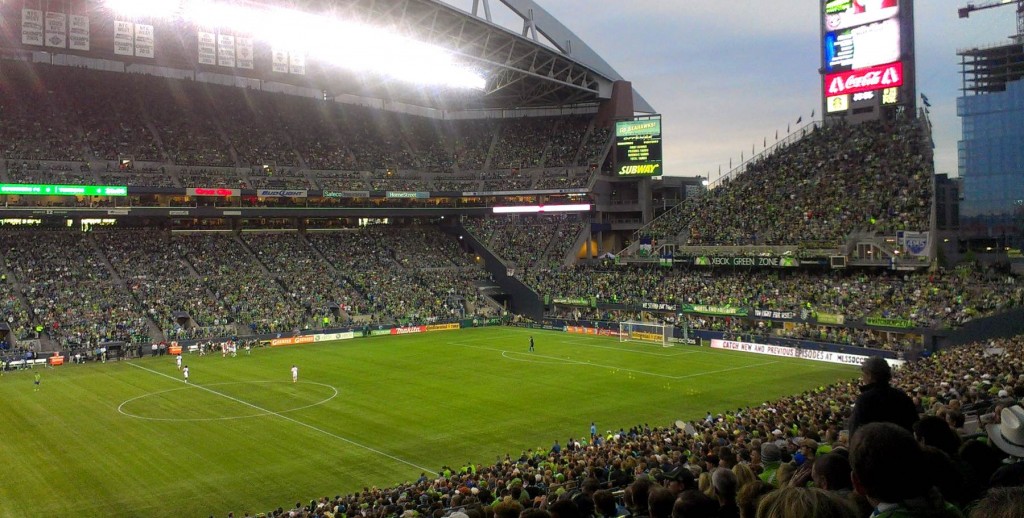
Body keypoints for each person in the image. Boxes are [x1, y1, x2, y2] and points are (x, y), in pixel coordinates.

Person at [848, 356, 918, 437]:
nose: (862, 377)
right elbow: (914, 426)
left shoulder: (865, 399)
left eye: (864, 373)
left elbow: (855, 431)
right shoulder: (902, 396)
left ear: (870, 376)